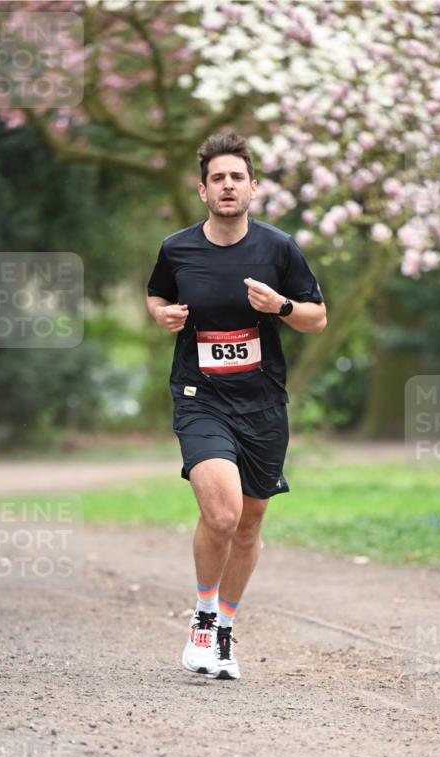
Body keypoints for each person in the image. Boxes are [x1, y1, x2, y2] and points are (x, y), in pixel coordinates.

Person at [146, 131, 326, 680]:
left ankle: (224, 628)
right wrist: (162, 316)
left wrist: (282, 305)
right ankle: (201, 619)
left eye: (237, 177)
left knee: (248, 525)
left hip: (263, 402)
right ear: (203, 191)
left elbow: (316, 316)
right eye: (218, 178)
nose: (228, 186)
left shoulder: (278, 249)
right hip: (201, 397)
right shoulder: (178, 248)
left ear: (252, 187)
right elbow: (156, 293)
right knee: (221, 513)